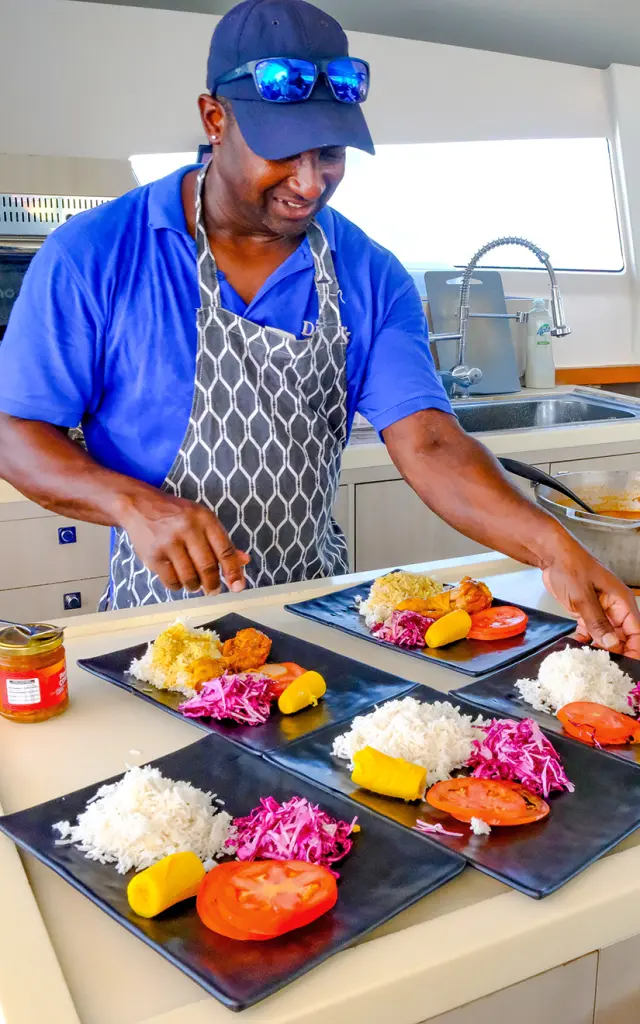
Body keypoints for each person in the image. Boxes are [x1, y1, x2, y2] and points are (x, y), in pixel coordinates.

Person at [0, 0, 638, 657]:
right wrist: (134, 505)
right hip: (155, 626)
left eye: (330, 152)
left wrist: (553, 548)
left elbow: (430, 444)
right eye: (283, 152)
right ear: (215, 119)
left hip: (315, 614)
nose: (310, 182)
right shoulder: (97, 254)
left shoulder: (369, 273)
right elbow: (15, 431)